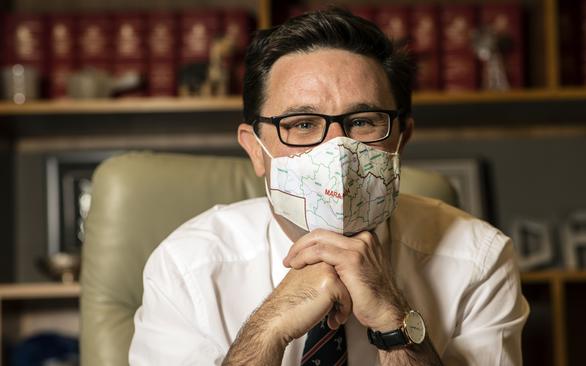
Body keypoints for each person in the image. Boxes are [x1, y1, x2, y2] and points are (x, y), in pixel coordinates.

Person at [129, 8, 529, 366]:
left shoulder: (479, 259)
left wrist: (395, 324)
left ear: (401, 139)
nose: (337, 149)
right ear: (255, 149)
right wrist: (266, 331)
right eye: (302, 124)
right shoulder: (186, 267)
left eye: (363, 121)